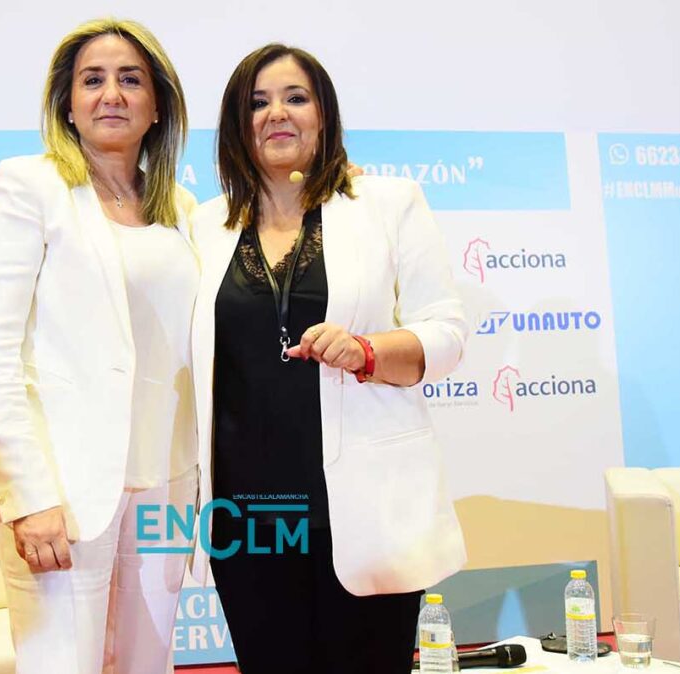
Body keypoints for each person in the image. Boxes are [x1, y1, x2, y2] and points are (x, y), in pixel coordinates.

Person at [187, 44, 470, 673]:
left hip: (362, 508)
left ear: (324, 114)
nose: (277, 114)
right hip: (249, 519)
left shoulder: (388, 203)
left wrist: (368, 351)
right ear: (236, 124)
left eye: (296, 97)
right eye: (257, 102)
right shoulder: (201, 226)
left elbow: (446, 333)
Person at [0, 18, 198, 674]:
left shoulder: (182, 208)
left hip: (165, 492)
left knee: (149, 665)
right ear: (67, 104)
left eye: (131, 80)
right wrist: (27, 496)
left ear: (158, 105)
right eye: (92, 80)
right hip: (63, 494)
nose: (111, 95)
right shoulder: (30, 186)